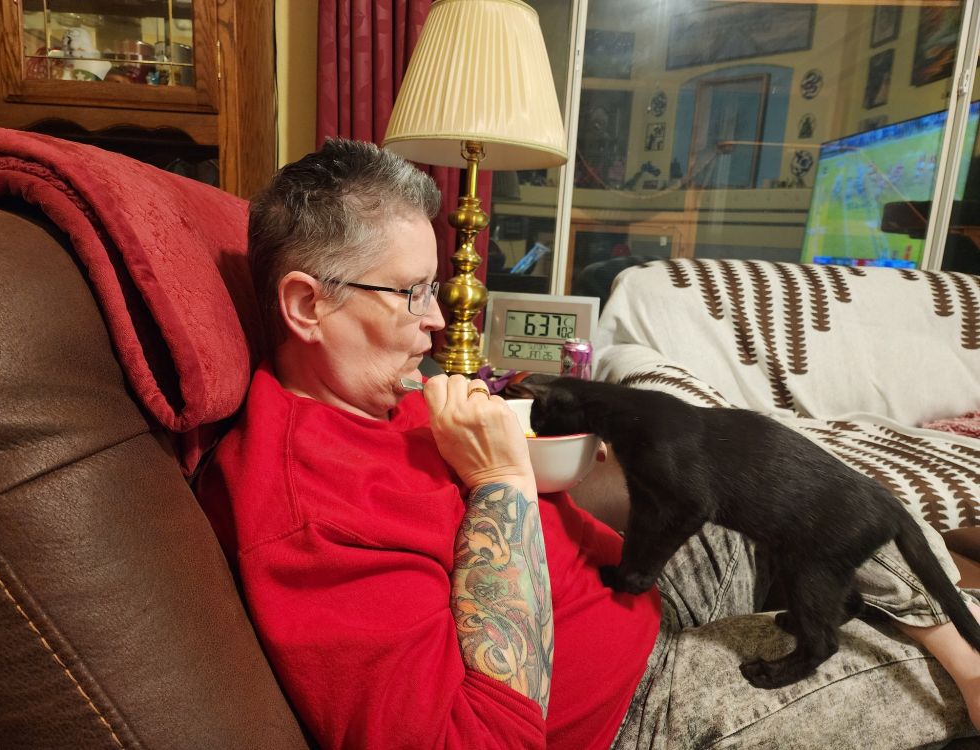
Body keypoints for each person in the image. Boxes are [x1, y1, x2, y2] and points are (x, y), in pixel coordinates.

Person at [196, 138, 980, 749]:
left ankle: (962, 648)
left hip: (631, 591)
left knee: (816, 485)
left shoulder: (386, 398)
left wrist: (580, 469)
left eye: (433, 289)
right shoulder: (307, 514)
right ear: (306, 304)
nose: (437, 323)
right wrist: (502, 482)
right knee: (886, 654)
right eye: (410, 294)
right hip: (634, 708)